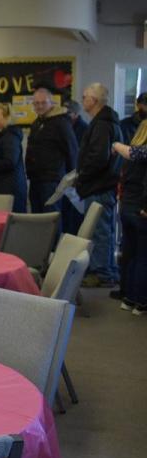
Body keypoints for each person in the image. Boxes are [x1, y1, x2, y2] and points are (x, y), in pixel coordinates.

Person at [77, 83, 123, 288]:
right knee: (105, 230)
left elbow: (98, 158)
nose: (82, 100)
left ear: (94, 101)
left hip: (98, 187)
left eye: (85, 96)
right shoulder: (105, 122)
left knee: (100, 231)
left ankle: (102, 273)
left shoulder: (102, 124)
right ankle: (108, 270)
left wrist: (82, 175)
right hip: (103, 185)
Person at [25, 85, 77, 218]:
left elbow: (72, 151)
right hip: (36, 180)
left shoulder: (61, 123)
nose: (40, 106)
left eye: (43, 102)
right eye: (36, 103)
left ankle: (54, 240)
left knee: (51, 219)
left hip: (52, 181)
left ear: (51, 102)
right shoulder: (36, 123)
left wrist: (73, 180)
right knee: (37, 219)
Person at [113, 122, 147, 313]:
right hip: (141, 209)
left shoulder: (131, 154)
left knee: (130, 254)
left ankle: (128, 298)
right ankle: (141, 302)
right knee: (143, 257)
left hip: (126, 206)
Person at [0, 103, 27, 212]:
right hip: (3, 188)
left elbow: (10, 162)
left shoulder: (10, 137)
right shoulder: (2, 135)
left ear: (6, 118)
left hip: (9, 190)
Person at [63, 99, 88, 234]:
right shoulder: (63, 127)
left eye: (67, 113)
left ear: (75, 114)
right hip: (64, 176)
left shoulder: (84, 130)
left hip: (77, 178)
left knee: (75, 216)